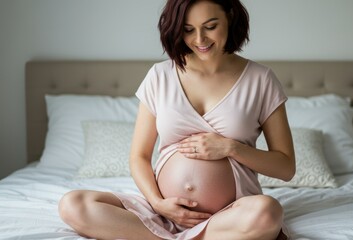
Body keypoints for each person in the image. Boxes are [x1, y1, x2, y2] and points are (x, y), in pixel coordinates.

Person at [58, 0, 295, 239]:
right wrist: (158, 203)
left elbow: (286, 168)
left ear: (230, 17)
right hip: (162, 214)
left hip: (230, 215)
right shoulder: (159, 76)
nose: (199, 39)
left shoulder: (260, 79)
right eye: (188, 29)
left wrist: (230, 148)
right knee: (73, 204)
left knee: (267, 212)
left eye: (210, 26)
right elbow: (139, 156)